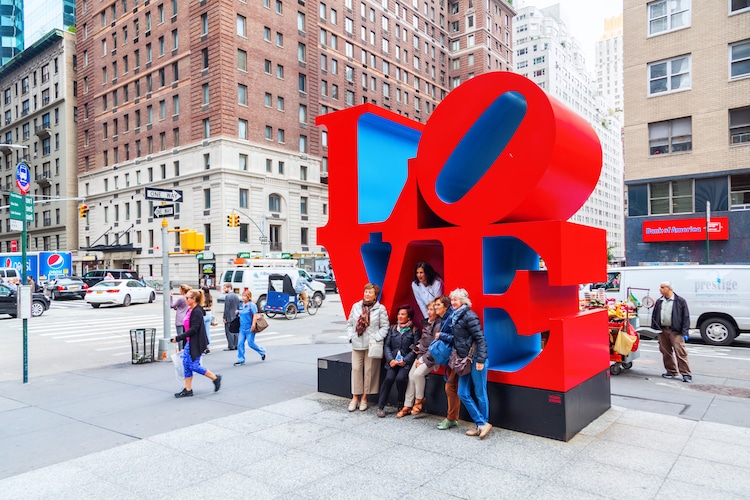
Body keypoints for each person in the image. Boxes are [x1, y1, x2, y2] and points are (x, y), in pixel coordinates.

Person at [449, 288, 491, 439]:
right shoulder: (455, 317)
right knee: (462, 392)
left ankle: (481, 424)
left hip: (475, 360)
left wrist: (480, 360)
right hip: (464, 360)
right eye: (452, 299)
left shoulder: (469, 316)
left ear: (463, 301)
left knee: (480, 393)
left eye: (455, 299)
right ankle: (481, 423)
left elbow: (480, 339)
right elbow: (457, 339)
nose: (453, 302)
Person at [345, 283, 390, 412]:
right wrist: (351, 336)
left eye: (370, 292)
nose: (367, 294)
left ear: (375, 295)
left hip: (372, 345)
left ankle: (364, 398)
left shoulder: (380, 309)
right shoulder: (356, 306)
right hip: (357, 343)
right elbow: (349, 324)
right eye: (366, 292)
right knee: (356, 369)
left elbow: (385, 327)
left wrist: (375, 337)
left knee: (370, 371)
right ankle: (355, 397)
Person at [171, 289, 222, 397]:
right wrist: (183, 344)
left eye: (187, 298)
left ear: (193, 299)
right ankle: (188, 389)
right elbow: (187, 328)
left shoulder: (197, 311)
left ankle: (215, 378)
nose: (185, 299)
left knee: (193, 365)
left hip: (197, 342)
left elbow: (194, 329)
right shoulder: (190, 310)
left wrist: (178, 338)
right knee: (186, 364)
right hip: (190, 342)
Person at [398, 300, 441, 418]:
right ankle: (407, 405)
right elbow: (424, 340)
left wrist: (422, 359)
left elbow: (435, 345)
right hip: (421, 354)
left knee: (417, 374)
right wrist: (418, 345)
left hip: (431, 357)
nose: (429, 312)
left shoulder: (438, 325)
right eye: (428, 309)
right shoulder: (427, 323)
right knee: (411, 377)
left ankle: (419, 399)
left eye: (432, 310)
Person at [375, 305, 418, 417]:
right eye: (399, 314)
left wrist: (405, 360)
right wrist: (390, 360)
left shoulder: (414, 330)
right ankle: (380, 406)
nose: (400, 316)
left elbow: (415, 349)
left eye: (403, 314)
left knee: (400, 379)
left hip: (405, 362)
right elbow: (387, 346)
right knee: (389, 378)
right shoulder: (393, 328)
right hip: (393, 361)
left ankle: (401, 402)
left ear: (409, 317)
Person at [651, 281, 692, 383]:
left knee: (680, 352)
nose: (660, 289)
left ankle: (686, 373)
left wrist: (685, 332)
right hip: (662, 330)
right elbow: (655, 315)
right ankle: (671, 371)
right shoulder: (659, 301)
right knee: (665, 352)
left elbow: (686, 317)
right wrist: (654, 328)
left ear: (669, 289)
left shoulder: (680, 301)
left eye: (662, 287)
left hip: (675, 331)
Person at [432, 295, 461, 430]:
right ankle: (453, 417)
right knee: (452, 388)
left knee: (450, 388)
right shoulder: (445, 318)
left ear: (446, 306)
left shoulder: (450, 318)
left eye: (438, 304)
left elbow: (457, 338)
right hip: (453, 358)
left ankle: (451, 418)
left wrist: (441, 335)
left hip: (456, 358)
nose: (435, 307)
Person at [234, 291, 265, 365]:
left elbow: (255, 315)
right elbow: (241, 314)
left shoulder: (252, 305)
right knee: (240, 343)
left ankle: (262, 351)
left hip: (249, 327)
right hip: (242, 327)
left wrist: (253, 325)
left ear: (249, 297)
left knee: (251, 343)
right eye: (242, 296)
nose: (243, 297)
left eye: (245, 296)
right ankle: (241, 359)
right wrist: (238, 312)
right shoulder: (241, 305)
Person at [170, 284, 191, 350]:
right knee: (185, 336)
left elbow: (171, 305)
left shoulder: (181, 299)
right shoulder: (188, 298)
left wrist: (170, 297)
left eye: (180, 289)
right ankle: (185, 349)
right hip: (186, 318)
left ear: (182, 290)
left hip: (179, 319)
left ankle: (180, 350)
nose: (179, 291)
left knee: (180, 336)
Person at [222, 283, 240, 351]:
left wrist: (224, 317)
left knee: (229, 332)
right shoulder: (236, 296)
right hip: (235, 315)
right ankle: (236, 345)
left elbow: (227, 308)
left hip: (229, 316)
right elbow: (238, 305)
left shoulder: (228, 296)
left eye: (225, 288)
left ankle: (231, 345)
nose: (224, 289)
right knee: (235, 332)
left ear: (229, 287)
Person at [200, 285, 214, 354]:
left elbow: (201, 306)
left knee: (202, 332)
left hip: (204, 315)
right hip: (209, 314)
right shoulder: (210, 297)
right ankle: (208, 346)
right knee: (208, 331)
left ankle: (203, 347)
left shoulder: (202, 298)